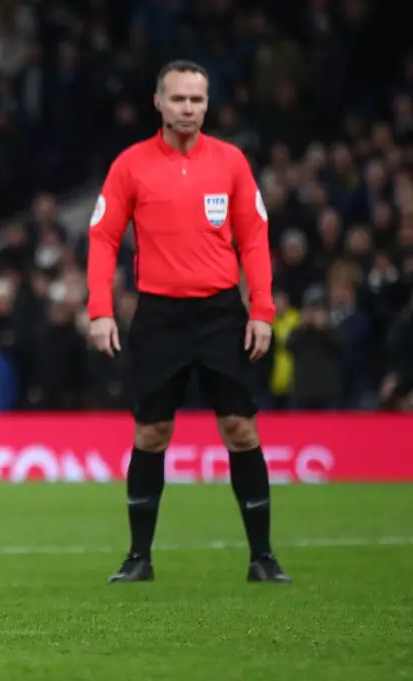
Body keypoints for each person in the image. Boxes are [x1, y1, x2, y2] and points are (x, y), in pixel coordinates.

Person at [86, 60, 290, 584]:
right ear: (158, 102)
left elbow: (254, 237)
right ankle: (139, 558)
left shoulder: (231, 162)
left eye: (196, 100)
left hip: (222, 312)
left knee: (241, 430)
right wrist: (100, 309)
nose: (188, 108)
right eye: (178, 99)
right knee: (151, 432)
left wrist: (262, 311)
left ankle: (262, 558)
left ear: (207, 103)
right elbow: (104, 237)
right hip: (159, 315)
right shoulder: (130, 165)